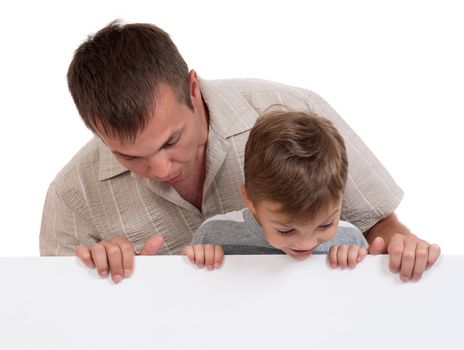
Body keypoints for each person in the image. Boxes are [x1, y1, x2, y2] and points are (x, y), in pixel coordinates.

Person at [40, 20, 440, 283]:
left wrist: (401, 248)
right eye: (129, 156)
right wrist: (104, 280)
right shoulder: (73, 197)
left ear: (192, 90)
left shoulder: (297, 114)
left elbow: (378, 226)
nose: (161, 168)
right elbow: (57, 317)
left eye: (171, 141)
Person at [183, 110, 369, 270]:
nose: (306, 243)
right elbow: (187, 295)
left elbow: (372, 303)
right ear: (250, 200)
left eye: (325, 225)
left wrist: (358, 268)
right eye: (286, 231)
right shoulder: (214, 234)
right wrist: (196, 261)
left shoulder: (350, 239)